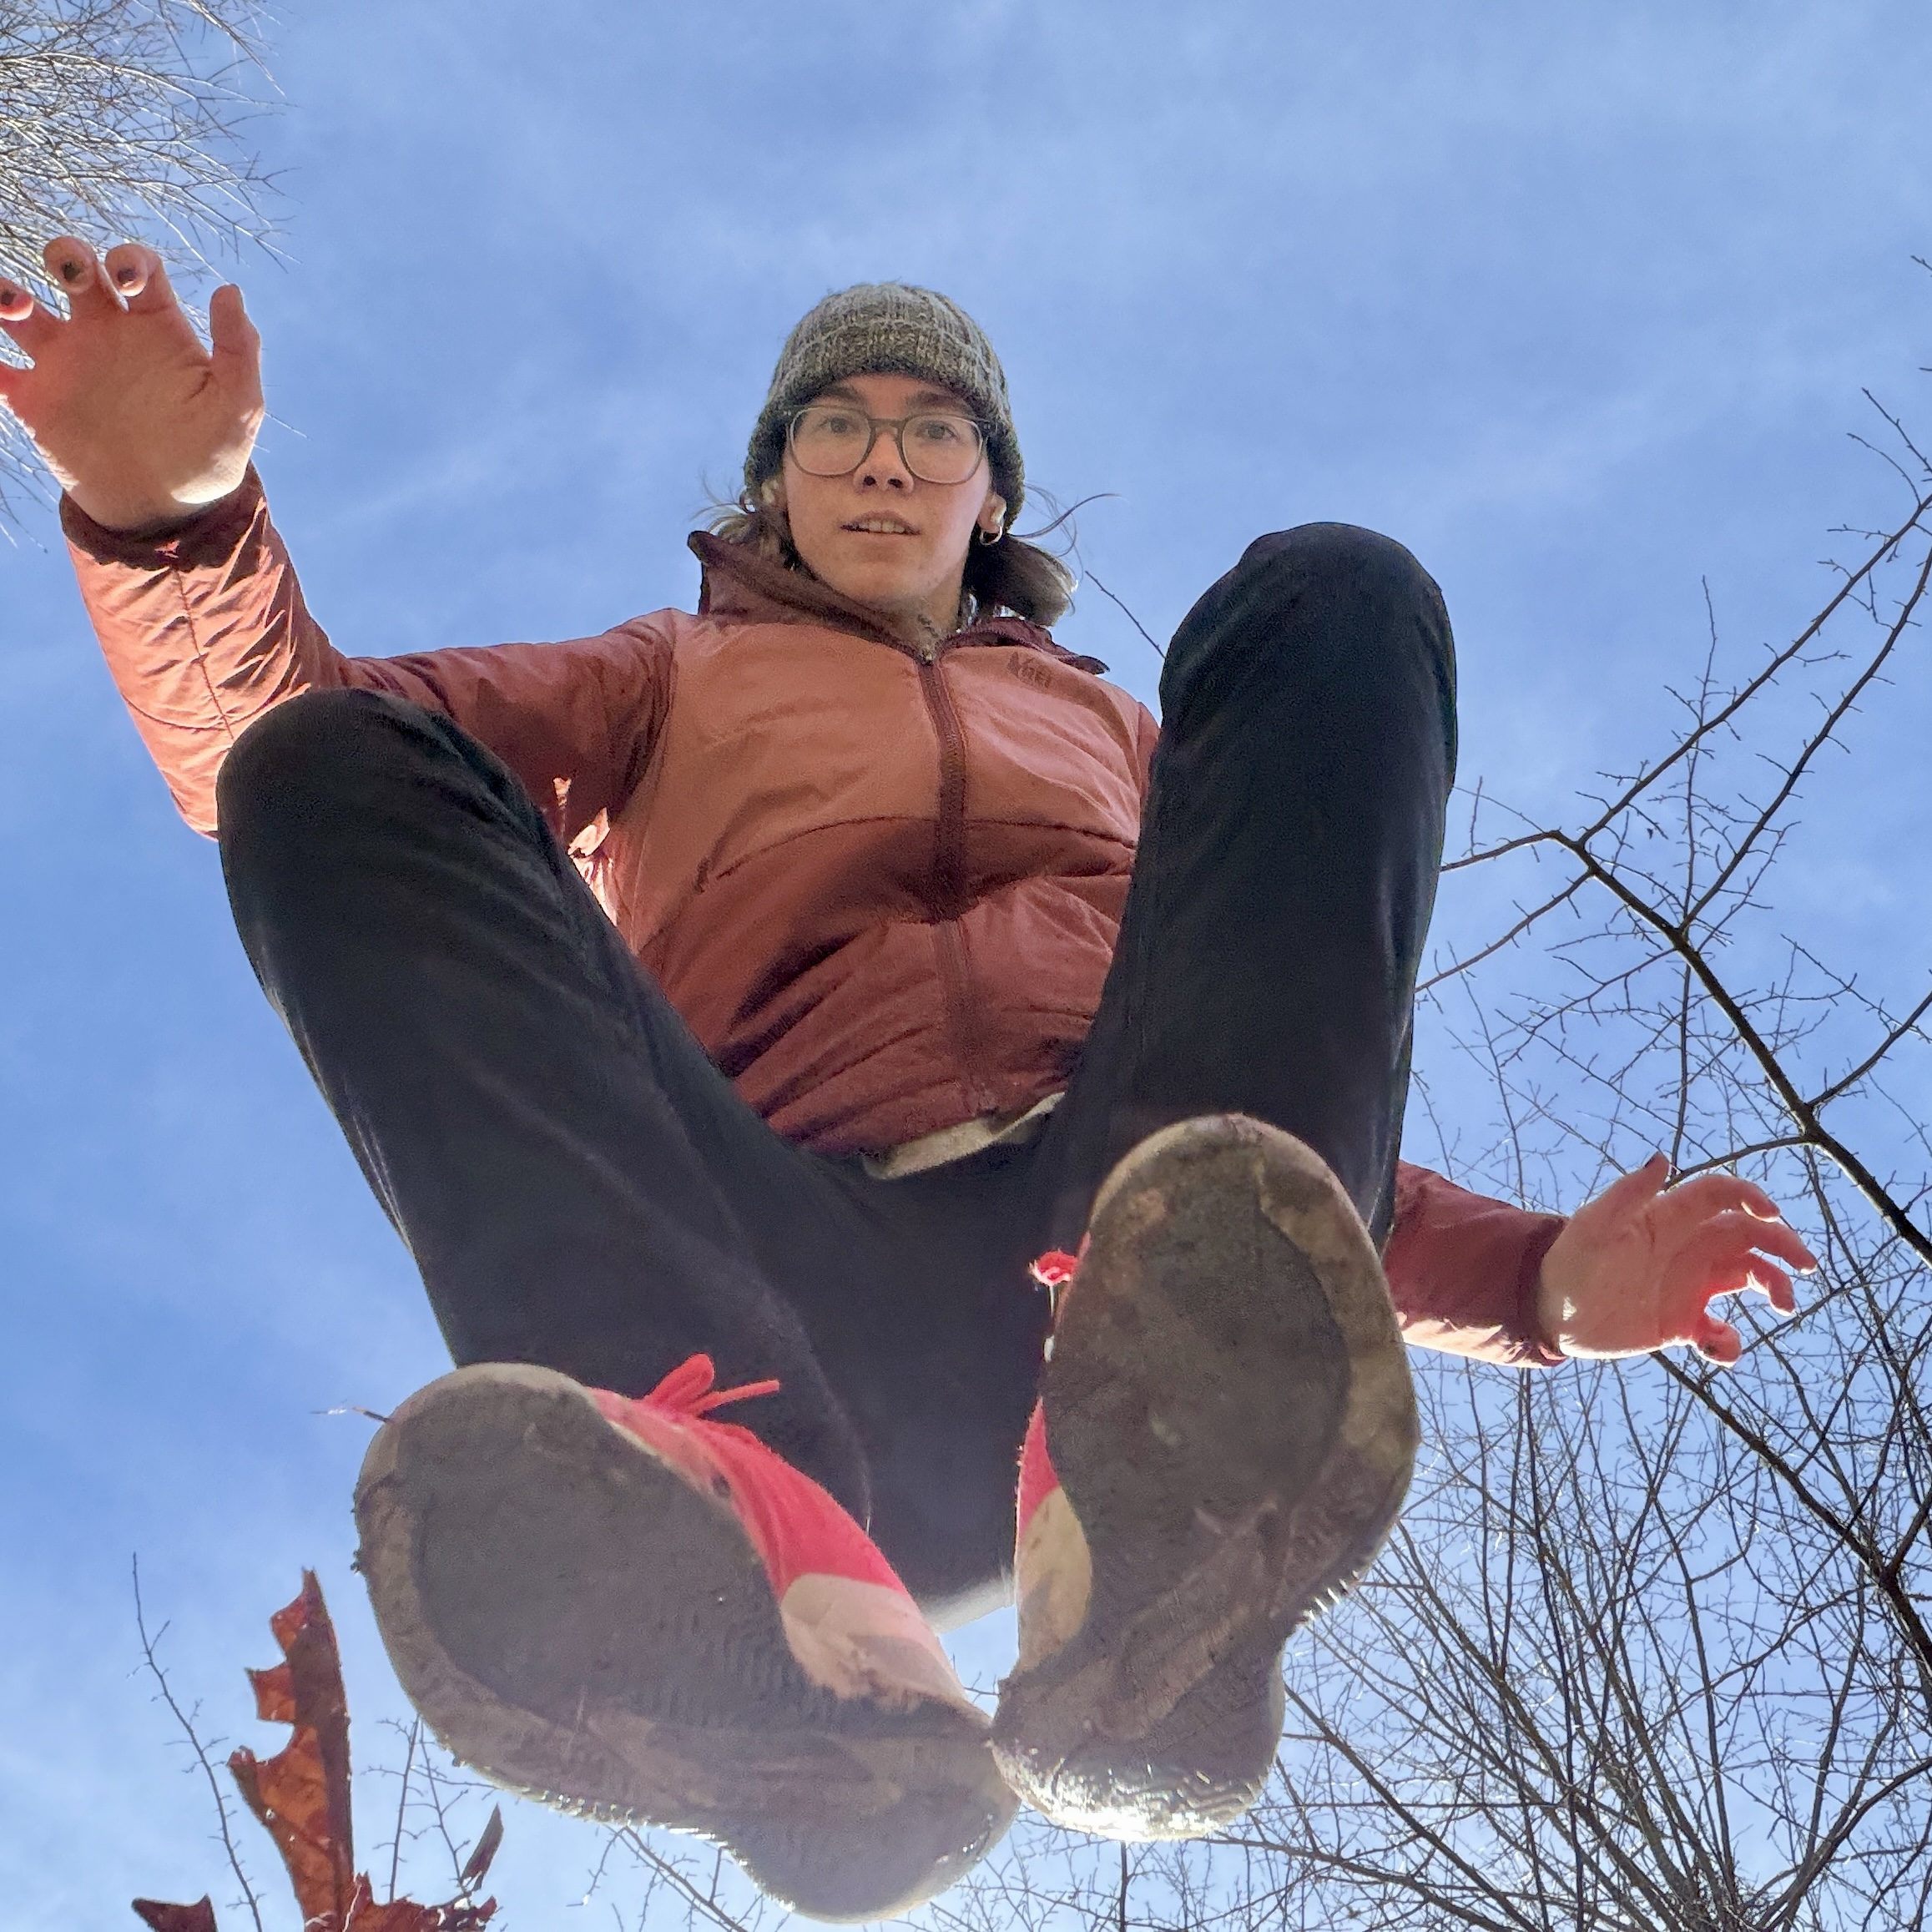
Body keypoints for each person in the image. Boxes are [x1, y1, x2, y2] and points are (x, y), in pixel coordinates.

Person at [0, 240, 1818, 1921]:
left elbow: (1250, 1065)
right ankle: (741, 1524)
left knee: (1337, 595)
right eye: (836, 428)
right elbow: (264, 746)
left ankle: (1164, 1491)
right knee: (323, 760)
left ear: (989, 494)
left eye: (932, 430)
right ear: (774, 485)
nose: (882, 460)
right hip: (784, 1305)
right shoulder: (664, 679)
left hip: (1108, 1306)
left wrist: (1536, 1285)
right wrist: (176, 523)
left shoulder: (1116, 736)